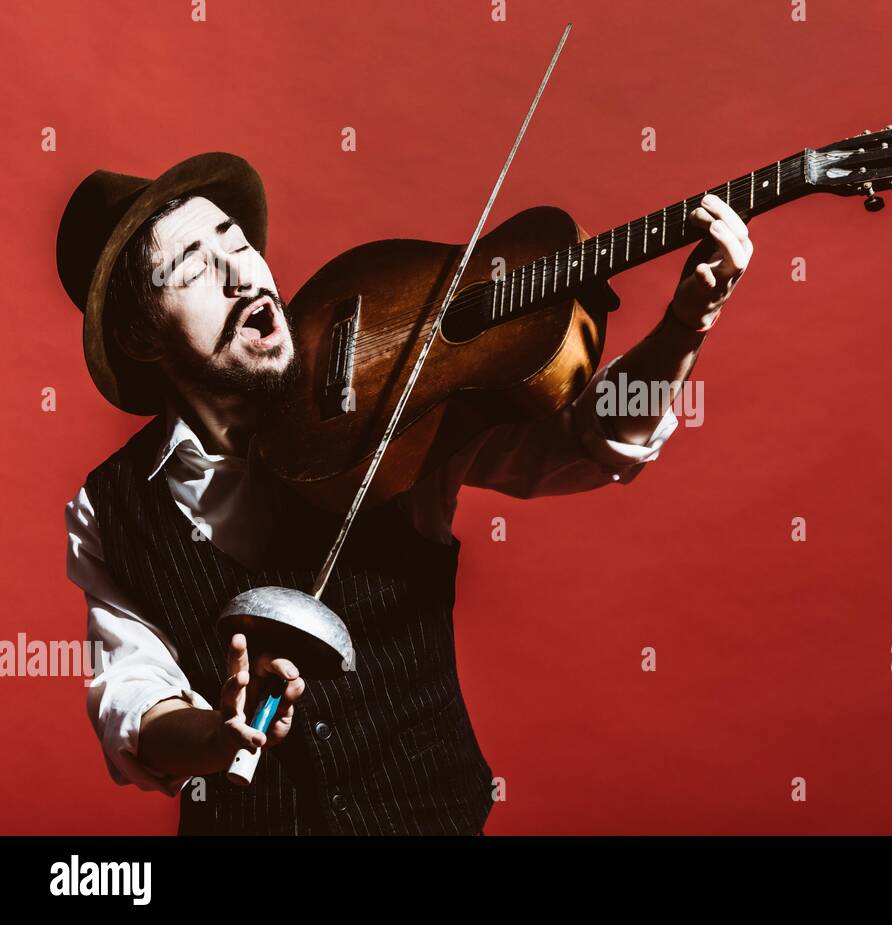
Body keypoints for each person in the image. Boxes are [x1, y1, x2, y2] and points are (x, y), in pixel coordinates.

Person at [56, 153, 750, 834]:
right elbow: (132, 698)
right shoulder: (110, 507)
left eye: (237, 242)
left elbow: (585, 444)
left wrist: (686, 326)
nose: (241, 274)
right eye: (195, 269)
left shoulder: (387, 390)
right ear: (140, 336)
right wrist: (215, 735)